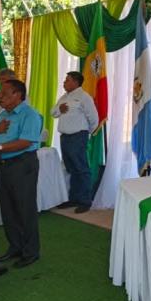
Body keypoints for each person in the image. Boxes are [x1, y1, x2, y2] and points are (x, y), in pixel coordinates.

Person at [0, 79, 43, 268]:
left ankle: (31, 252)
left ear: (17, 95)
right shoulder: (2, 114)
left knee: (24, 209)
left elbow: (26, 142)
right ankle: (15, 247)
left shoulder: (30, 114)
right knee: (8, 209)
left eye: (4, 94)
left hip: (22, 163)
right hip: (5, 164)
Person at [52, 71, 99, 214]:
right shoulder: (63, 97)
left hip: (78, 137)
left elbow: (94, 119)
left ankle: (85, 201)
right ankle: (74, 198)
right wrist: (59, 110)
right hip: (65, 137)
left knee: (81, 169)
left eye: (67, 80)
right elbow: (53, 113)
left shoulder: (84, 97)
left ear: (76, 82)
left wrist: (84, 133)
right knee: (71, 169)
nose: (64, 82)